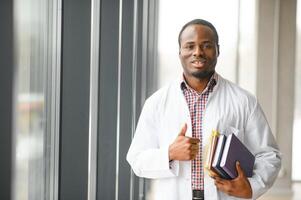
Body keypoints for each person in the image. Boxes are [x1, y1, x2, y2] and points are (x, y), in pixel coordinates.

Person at [126, 19, 281, 200]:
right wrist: (169, 153)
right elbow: (137, 160)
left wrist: (251, 188)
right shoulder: (156, 103)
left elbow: (269, 155)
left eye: (206, 45)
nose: (198, 52)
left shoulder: (244, 101)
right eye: (190, 46)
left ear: (218, 50)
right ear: (180, 52)